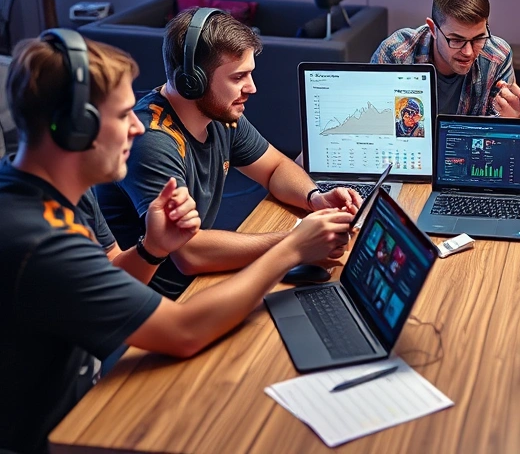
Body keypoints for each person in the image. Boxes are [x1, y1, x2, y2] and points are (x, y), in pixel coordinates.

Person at [0, 33, 353, 454]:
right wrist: (292, 248)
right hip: (52, 437)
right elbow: (183, 332)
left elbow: (113, 268)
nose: (136, 127)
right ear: (77, 129)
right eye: (123, 115)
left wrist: (152, 247)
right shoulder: (37, 238)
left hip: (83, 384)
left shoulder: (54, 191)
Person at [97, 7, 361, 299]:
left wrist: (315, 198)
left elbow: (274, 168)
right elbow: (188, 254)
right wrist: (296, 243)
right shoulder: (152, 141)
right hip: (163, 300)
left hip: (203, 279)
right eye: (238, 77)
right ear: (192, 81)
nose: (252, 87)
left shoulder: (221, 114)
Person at [371, 0, 520, 118]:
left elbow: (493, 135)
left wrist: (511, 121)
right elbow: (375, 123)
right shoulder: (396, 54)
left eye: (478, 38)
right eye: (456, 40)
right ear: (433, 29)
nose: (468, 52)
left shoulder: (497, 58)